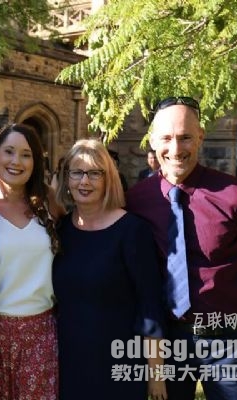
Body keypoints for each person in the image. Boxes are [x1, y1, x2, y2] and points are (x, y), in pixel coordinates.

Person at [126, 96, 237, 400]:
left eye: (185, 137)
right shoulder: (137, 200)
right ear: (152, 140)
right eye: (166, 138)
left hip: (231, 343)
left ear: (200, 137)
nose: (176, 149)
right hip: (169, 342)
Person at [53, 139, 166, 399]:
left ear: (108, 179)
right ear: (67, 178)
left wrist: (156, 374)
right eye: (77, 172)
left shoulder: (132, 231)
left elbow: (150, 305)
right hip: (70, 363)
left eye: (95, 173)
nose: (84, 181)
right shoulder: (61, 230)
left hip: (119, 364)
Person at [0, 123, 62, 400]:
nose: (16, 161)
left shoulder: (49, 204)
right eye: (9, 151)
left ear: (36, 162)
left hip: (41, 331)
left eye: (26, 154)